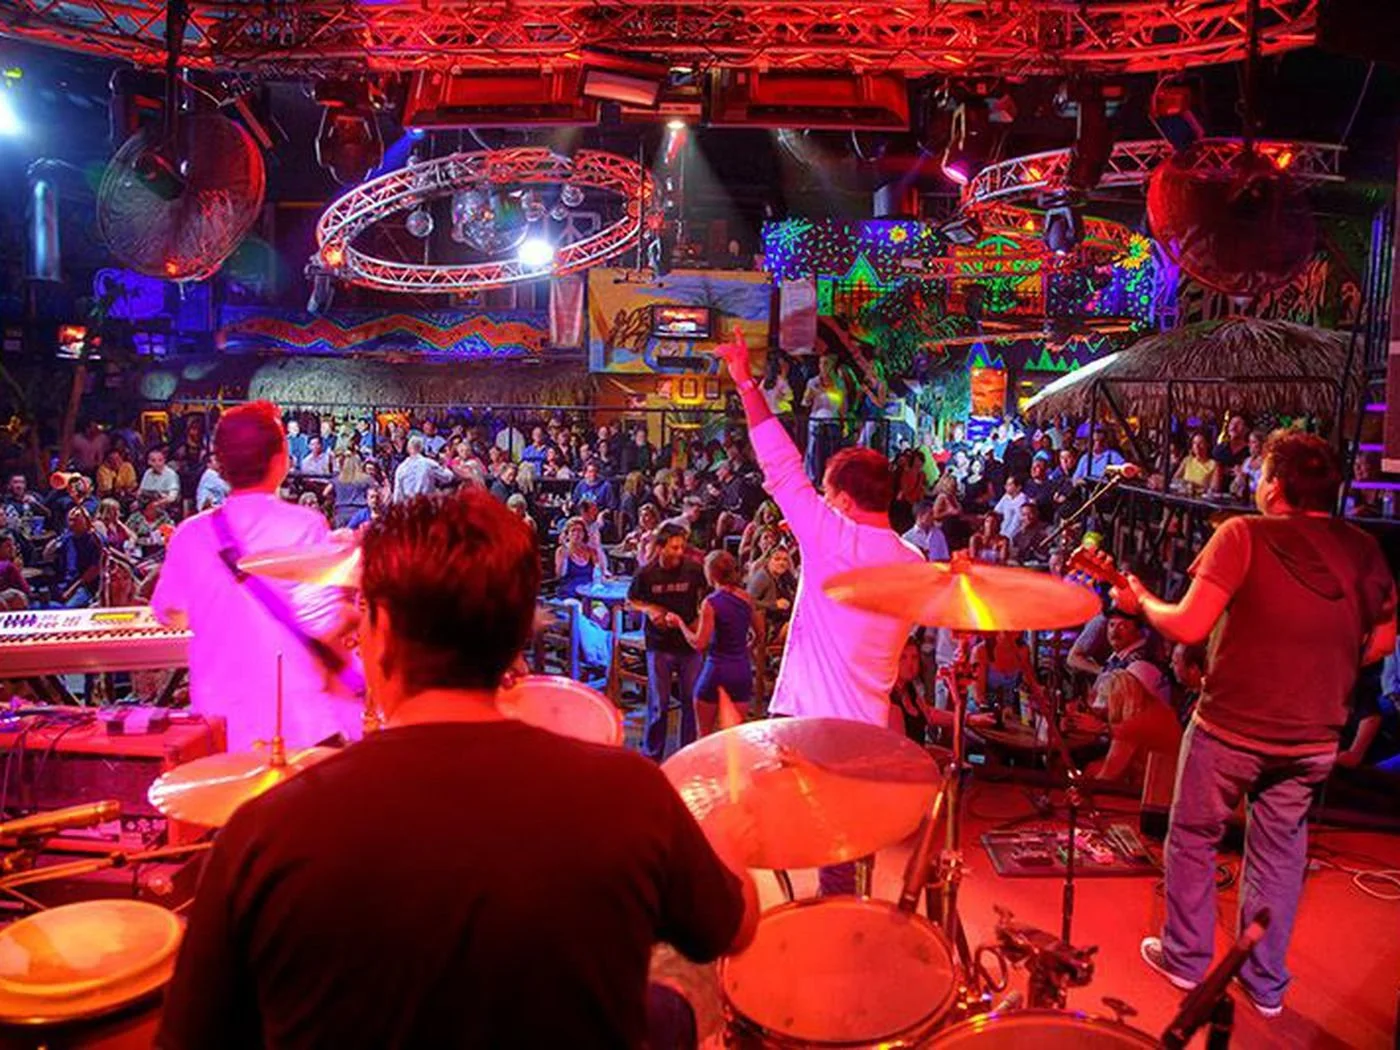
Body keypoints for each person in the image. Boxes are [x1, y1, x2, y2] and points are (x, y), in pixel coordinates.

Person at [157, 492, 758, 1050]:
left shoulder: (263, 833)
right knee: (669, 1003)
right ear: (517, 636)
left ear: (380, 630)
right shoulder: (631, 793)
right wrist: (732, 836)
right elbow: (733, 929)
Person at [1116, 430, 1396, 1018]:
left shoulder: (1243, 534)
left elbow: (1188, 626)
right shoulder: (1364, 549)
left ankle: (1186, 958)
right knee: (1280, 856)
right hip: (1314, 738)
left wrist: (1141, 600)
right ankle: (1266, 986)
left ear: (1274, 485)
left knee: (1194, 837)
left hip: (1229, 729)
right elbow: (1382, 643)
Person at [717, 327, 922, 896]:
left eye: (829, 498)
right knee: (848, 853)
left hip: (811, 728)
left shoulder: (833, 537)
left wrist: (745, 382)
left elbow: (781, 464)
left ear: (846, 502)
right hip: (869, 731)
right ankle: (848, 923)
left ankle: (825, 928)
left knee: (772, 830)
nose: (823, 505)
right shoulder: (913, 561)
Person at [151, 401, 364, 752]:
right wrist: (349, 592)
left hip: (219, 729)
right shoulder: (305, 525)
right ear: (281, 459)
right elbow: (325, 624)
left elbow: (169, 612)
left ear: (221, 464)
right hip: (298, 725)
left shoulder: (190, 535)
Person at [627, 524, 709, 762]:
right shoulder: (646, 574)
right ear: (661, 547)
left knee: (690, 701)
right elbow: (632, 599)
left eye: (682, 547)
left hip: (688, 643)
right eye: (674, 547)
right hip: (659, 644)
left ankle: (688, 755)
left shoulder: (693, 570)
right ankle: (652, 756)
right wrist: (650, 609)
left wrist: (700, 617)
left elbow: (707, 595)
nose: (679, 552)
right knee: (658, 704)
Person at [677, 550, 755, 734]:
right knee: (735, 737)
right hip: (741, 670)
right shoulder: (747, 598)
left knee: (705, 734)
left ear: (710, 573)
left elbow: (699, 643)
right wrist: (746, 649)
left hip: (717, 669)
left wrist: (680, 624)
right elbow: (759, 634)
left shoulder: (711, 603)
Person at [44, 507, 101, 608]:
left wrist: (71, 590)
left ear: (87, 521)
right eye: (70, 520)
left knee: (67, 609)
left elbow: (95, 570)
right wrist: (57, 540)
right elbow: (46, 555)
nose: (72, 523)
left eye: (76, 519)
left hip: (85, 587)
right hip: (63, 583)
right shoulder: (67, 538)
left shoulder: (95, 540)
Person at [393, 436, 455, 501]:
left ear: (408, 449)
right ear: (421, 448)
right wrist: (445, 463)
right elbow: (448, 477)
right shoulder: (428, 463)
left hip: (409, 504)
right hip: (425, 502)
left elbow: (397, 494)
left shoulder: (400, 468)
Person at [992, 476, 1030, 543]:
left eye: (1009, 484)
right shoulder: (1006, 497)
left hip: (1015, 537)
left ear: (1018, 487)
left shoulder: (1023, 499)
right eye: (1006, 484)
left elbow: (1019, 521)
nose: (1005, 487)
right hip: (1002, 534)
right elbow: (996, 512)